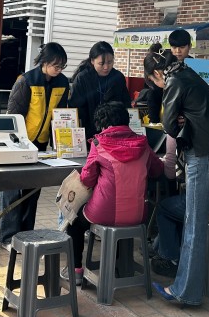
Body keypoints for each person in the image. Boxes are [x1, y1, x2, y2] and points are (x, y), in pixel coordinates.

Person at [144, 46, 209, 306]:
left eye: (154, 82)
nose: (157, 87)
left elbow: (169, 126)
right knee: (195, 225)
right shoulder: (189, 74)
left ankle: (186, 292)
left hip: (202, 158)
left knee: (194, 227)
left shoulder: (175, 82)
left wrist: (177, 119)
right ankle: (187, 288)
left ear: (157, 73)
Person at [62, 101, 163, 285]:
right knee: (119, 219)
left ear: (103, 125)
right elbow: (157, 170)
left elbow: (87, 179)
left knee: (74, 223)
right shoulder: (143, 144)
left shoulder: (99, 143)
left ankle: (75, 271)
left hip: (103, 213)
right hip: (137, 214)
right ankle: (118, 265)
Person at [0, 42, 70, 250]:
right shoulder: (26, 81)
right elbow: (14, 115)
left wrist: (58, 144)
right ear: (44, 62)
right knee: (12, 189)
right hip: (19, 143)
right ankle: (8, 237)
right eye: (56, 65)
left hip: (41, 144)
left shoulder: (63, 83)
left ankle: (26, 233)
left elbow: (60, 115)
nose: (59, 70)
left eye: (62, 66)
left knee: (33, 190)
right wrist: (15, 143)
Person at [150, 131, 209, 278]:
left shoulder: (175, 131)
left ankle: (171, 260)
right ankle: (161, 248)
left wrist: (165, 163)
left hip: (206, 203)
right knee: (178, 209)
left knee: (165, 209)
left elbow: (170, 172)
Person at [69, 41, 131, 140]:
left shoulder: (118, 77)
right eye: (101, 63)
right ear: (92, 61)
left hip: (114, 132)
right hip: (88, 131)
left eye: (110, 62)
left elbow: (125, 103)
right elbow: (76, 108)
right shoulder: (83, 78)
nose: (106, 67)